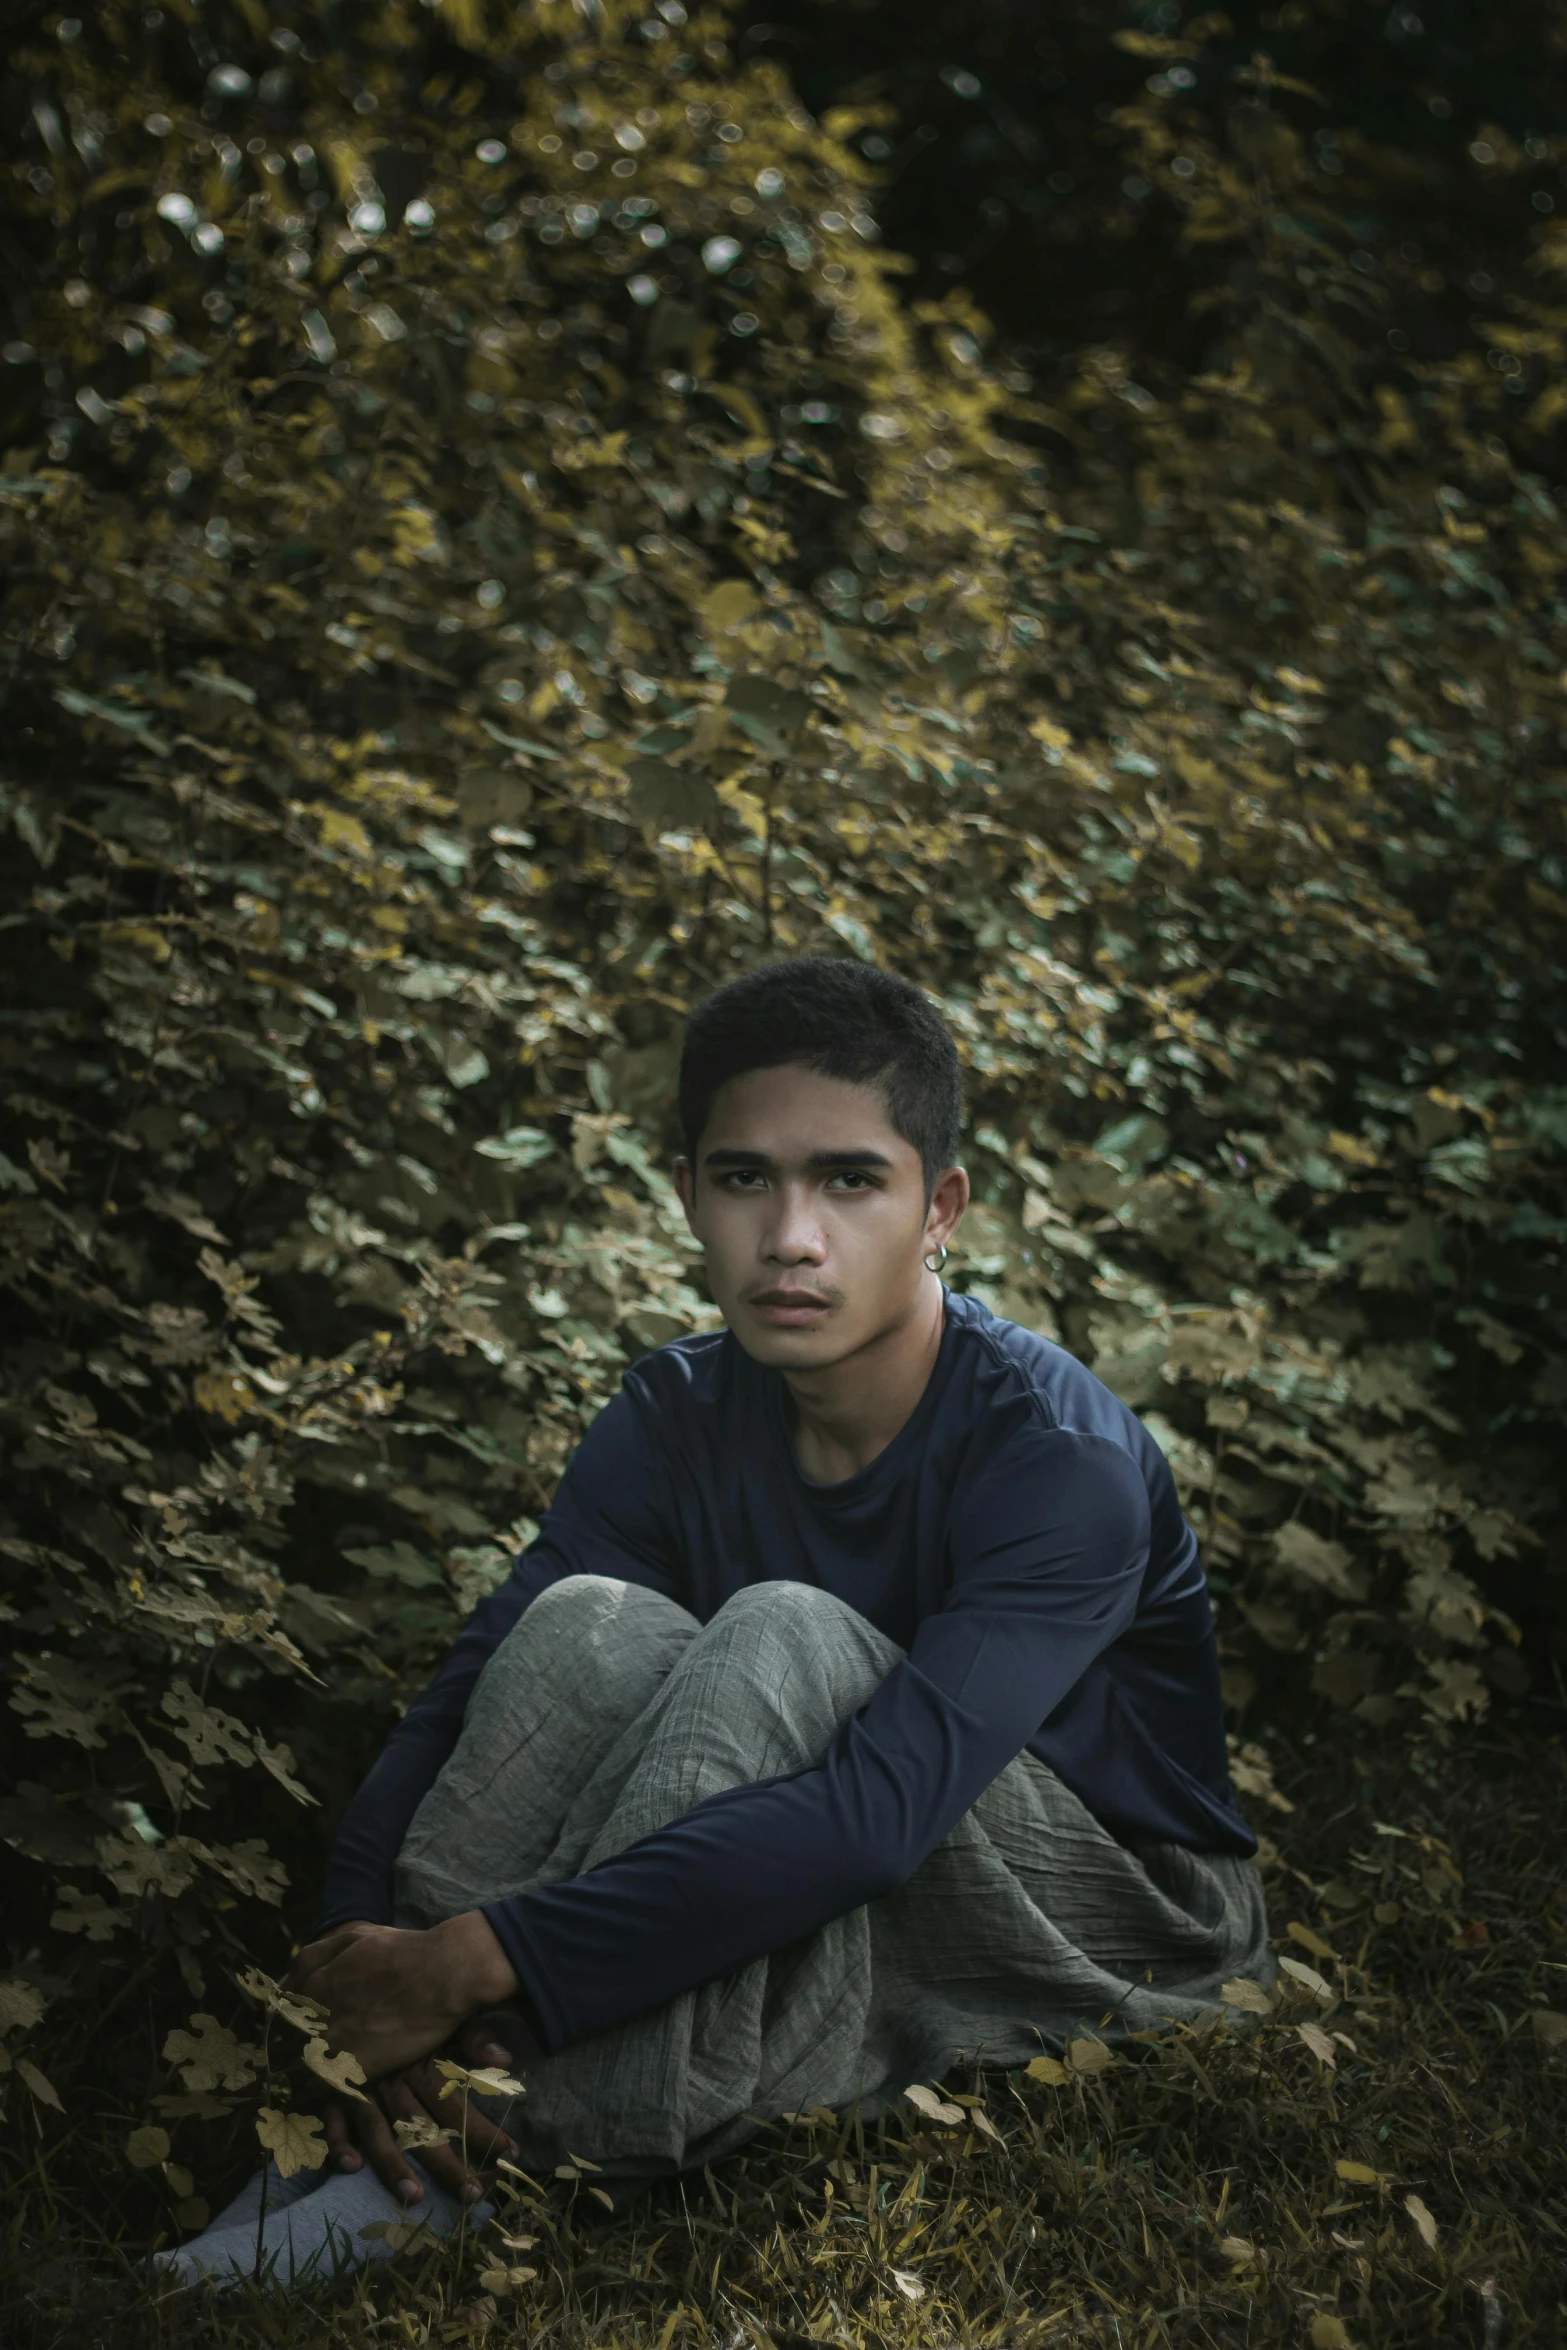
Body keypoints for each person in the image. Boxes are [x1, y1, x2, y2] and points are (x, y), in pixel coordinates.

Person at [160, 956, 1271, 2289]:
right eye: (744, 1177)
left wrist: (483, 1950)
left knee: (783, 1630)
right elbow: (473, 1689)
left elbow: (872, 1815)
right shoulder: (673, 1412)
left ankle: (527, 2137)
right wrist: (364, 1970)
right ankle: (402, 2102)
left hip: (1113, 1899)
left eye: (850, 1180)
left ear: (940, 1209)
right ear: (688, 1194)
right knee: (583, 1621)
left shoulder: (1054, 1458)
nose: (790, 1236)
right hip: (813, 1841)